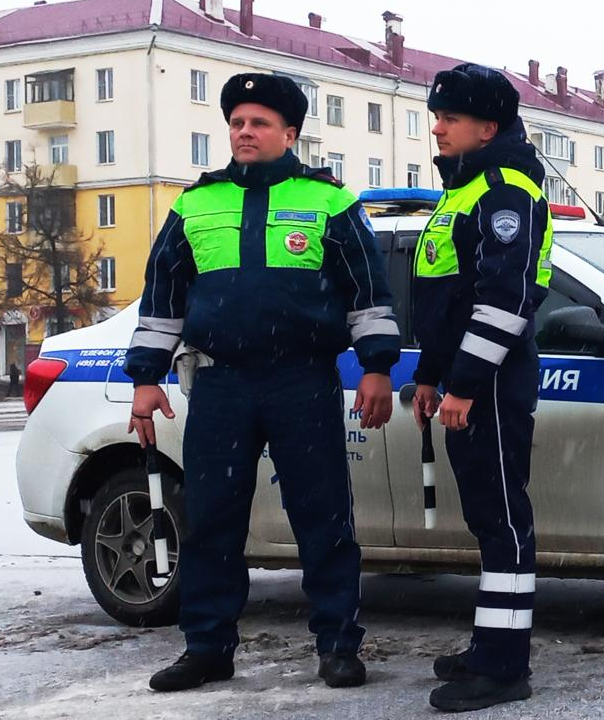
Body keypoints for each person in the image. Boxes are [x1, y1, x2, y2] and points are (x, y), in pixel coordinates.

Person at [124, 73, 400, 692]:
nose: (245, 132)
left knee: (324, 518)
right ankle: (207, 648)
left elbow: (368, 295)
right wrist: (146, 378)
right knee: (212, 520)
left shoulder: (330, 201)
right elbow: (162, 299)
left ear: (290, 133)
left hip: (301, 381)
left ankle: (337, 646)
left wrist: (377, 366)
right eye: (238, 123)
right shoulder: (195, 204)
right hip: (221, 386)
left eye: (259, 123)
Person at [411, 63, 553, 712]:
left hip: (493, 381)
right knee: (488, 520)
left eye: (449, 118)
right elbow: (449, 301)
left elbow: (504, 300)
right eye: (436, 115)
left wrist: (464, 384)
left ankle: (503, 668)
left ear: (486, 127)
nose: (435, 128)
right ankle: (490, 645)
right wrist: (430, 378)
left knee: (503, 524)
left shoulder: (503, 189)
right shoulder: (465, 187)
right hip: (469, 380)